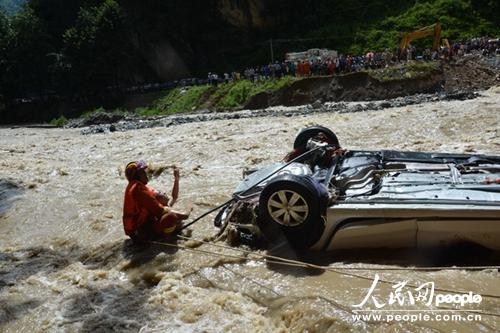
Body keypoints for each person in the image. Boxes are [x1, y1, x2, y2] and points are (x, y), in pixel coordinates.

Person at [122, 160, 193, 243]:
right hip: (140, 234)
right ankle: (166, 239)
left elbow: (173, 198)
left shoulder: (136, 186)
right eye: (143, 172)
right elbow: (163, 211)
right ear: (137, 175)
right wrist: (189, 208)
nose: (146, 175)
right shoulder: (138, 190)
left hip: (140, 230)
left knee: (170, 216)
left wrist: (176, 179)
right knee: (171, 217)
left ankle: (164, 231)